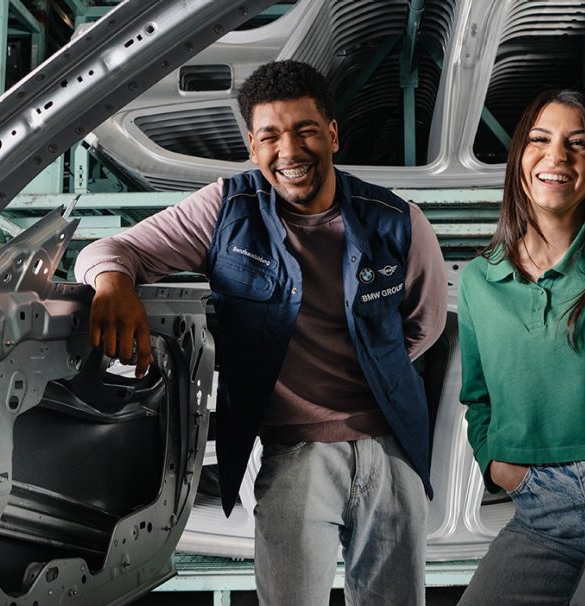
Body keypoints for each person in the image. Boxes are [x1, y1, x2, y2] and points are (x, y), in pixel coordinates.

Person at [73, 60, 448, 605]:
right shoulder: (226, 210)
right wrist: (112, 285)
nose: (289, 151)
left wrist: (373, 367)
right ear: (253, 145)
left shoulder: (397, 220)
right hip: (294, 454)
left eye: (305, 131)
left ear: (333, 135)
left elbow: (424, 324)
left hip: (392, 449)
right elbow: (114, 249)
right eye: (271, 135)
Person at [454, 89, 585, 605]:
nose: (556, 156)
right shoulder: (478, 280)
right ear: (520, 157)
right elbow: (478, 395)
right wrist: (495, 463)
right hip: (544, 508)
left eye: (577, 144)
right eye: (540, 139)